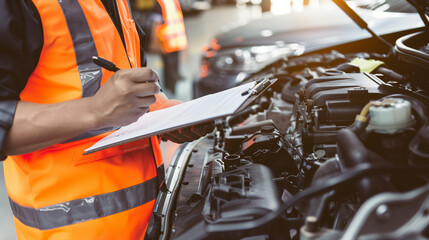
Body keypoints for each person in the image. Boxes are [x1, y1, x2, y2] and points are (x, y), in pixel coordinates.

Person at [0, 0, 206, 239]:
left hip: (151, 222)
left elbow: (124, 75)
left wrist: (164, 111)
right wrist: (95, 110)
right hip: (71, 231)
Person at [133, 0, 188, 94]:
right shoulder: (173, 2)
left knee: (170, 70)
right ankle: (171, 91)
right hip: (174, 41)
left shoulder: (161, 3)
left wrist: (154, 42)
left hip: (169, 42)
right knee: (172, 70)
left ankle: (170, 91)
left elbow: (156, 24)